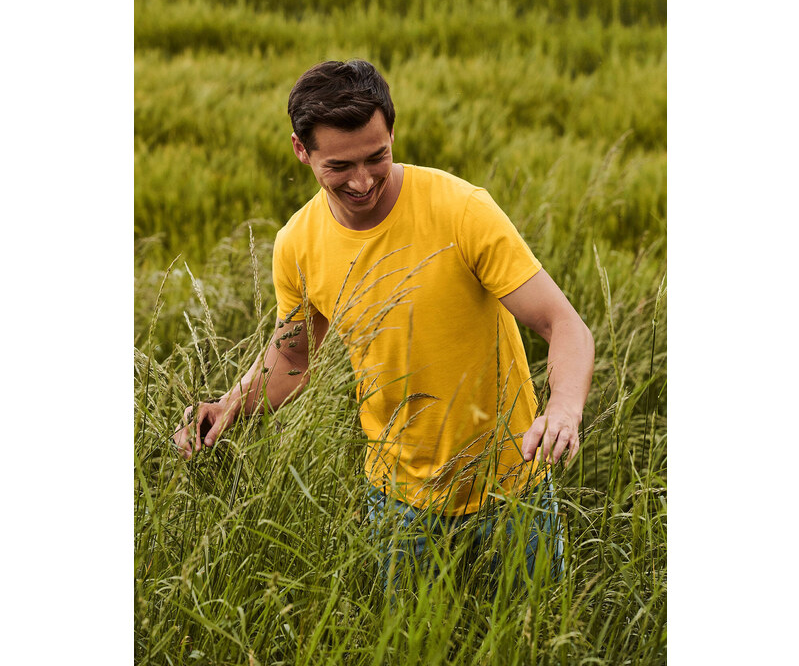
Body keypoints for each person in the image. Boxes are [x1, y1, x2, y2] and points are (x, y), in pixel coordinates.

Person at [173, 59, 594, 586]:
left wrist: (563, 410)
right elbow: (293, 358)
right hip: (399, 503)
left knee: (536, 636)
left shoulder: (461, 211)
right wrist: (229, 405)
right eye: (339, 167)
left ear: (392, 131)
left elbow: (565, 325)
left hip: (512, 486)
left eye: (377, 156)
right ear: (301, 151)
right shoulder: (298, 244)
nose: (363, 179)